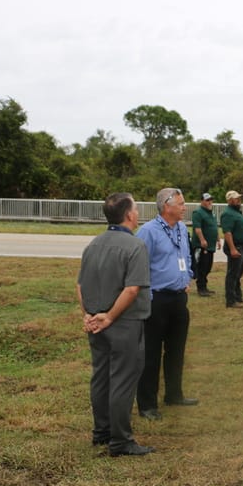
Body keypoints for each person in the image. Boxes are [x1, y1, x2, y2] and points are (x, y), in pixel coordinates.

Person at [77, 193, 154, 456]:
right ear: (130, 215)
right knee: (122, 379)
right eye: (136, 208)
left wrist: (89, 314)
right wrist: (109, 316)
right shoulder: (135, 246)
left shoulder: (94, 244)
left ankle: (101, 431)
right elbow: (132, 289)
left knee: (101, 376)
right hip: (123, 322)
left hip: (97, 322)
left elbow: (79, 286)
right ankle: (120, 441)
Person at [136, 188, 197, 421]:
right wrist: (146, 295)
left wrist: (187, 275)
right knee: (151, 354)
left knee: (176, 350)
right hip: (156, 299)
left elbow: (186, 255)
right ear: (166, 206)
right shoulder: (148, 232)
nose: (184, 207)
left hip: (178, 298)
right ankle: (147, 404)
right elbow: (139, 265)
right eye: (181, 204)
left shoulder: (181, 228)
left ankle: (174, 394)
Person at [221, 190, 243, 309]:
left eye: (239, 198)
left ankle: (238, 297)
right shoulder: (228, 214)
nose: (239, 200)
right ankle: (230, 300)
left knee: (238, 274)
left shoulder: (236, 213)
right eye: (236, 198)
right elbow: (227, 233)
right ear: (229, 201)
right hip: (236, 247)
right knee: (232, 274)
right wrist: (233, 249)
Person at [191, 192, 221, 296]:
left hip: (211, 245)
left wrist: (218, 239)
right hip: (202, 246)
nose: (209, 202)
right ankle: (201, 288)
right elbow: (197, 229)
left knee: (208, 266)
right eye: (207, 200)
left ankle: (205, 286)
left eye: (211, 200)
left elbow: (214, 227)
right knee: (202, 267)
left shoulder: (211, 213)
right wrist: (202, 240)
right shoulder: (198, 213)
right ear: (202, 201)